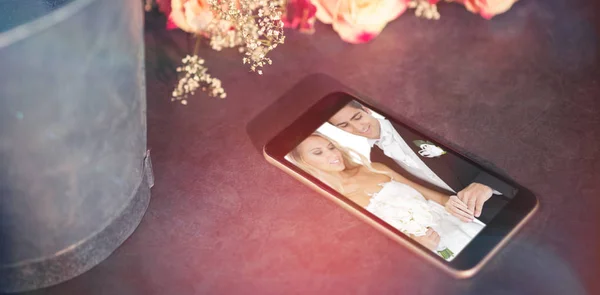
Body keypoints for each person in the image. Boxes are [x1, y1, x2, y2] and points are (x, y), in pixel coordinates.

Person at [288, 132, 485, 260]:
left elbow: (437, 198)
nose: (333, 155)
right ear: (304, 163)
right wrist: (417, 247)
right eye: (318, 153)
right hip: (430, 255)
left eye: (331, 147)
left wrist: (459, 206)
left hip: (460, 225)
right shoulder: (333, 207)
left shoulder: (375, 169)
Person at [327, 100, 517, 224]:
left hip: (512, 190)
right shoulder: (376, 162)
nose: (357, 127)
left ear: (366, 109)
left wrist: (487, 183)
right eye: (344, 126)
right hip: (480, 219)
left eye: (357, 117)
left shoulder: (414, 117)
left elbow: (492, 142)